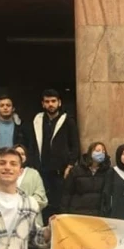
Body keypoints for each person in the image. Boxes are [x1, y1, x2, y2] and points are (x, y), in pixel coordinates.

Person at [27, 89, 80, 223]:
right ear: (43, 104)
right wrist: (33, 165)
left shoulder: (68, 120)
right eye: (47, 101)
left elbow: (75, 145)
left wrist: (70, 165)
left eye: (53, 101)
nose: (50, 104)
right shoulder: (37, 121)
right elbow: (32, 145)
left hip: (60, 173)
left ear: (59, 103)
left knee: (59, 205)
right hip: (41, 171)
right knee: (43, 205)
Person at [61, 142, 111, 216]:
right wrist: (64, 212)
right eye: (98, 151)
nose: (101, 153)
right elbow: (67, 193)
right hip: (77, 212)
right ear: (90, 152)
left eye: (103, 152)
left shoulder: (107, 172)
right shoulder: (76, 171)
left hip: (97, 214)